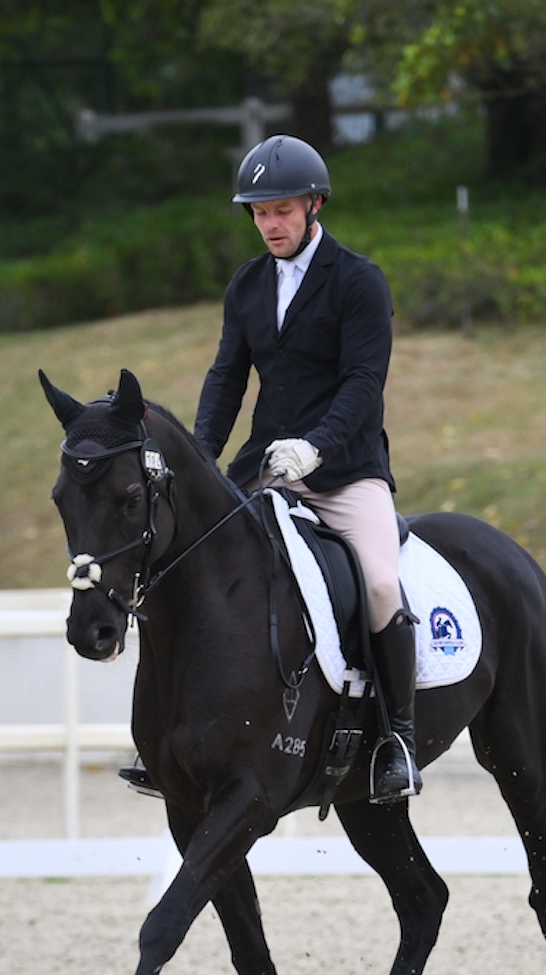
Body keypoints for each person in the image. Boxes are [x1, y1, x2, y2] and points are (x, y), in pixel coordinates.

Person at [194, 133, 421, 803]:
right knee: (194, 564)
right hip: (264, 464)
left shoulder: (357, 280)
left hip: (345, 469)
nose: (270, 225)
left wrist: (316, 447)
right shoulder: (247, 285)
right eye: (260, 213)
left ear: (314, 205)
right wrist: (202, 453)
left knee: (381, 584)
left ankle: (397, 740)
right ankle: (187, 732)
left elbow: (363, 382)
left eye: (282, 211)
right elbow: (226, 377)